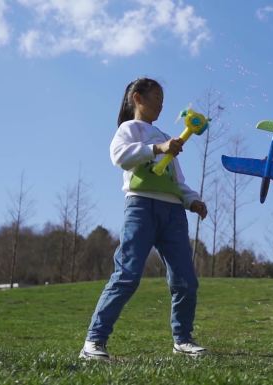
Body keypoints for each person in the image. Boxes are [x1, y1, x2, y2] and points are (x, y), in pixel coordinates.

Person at [79, 77, 208, 360]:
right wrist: (158, 149)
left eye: (163, 99)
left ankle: (183, 340)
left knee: (186, 280)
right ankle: (94, 342)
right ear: (137, 98)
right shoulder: (130, 129)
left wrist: (192, 199)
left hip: (173, 213)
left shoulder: (163, 134)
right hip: (141, 207)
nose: (161, 104)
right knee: (127, 275)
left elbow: (176, 178)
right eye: (156, 97)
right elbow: (120, 157)